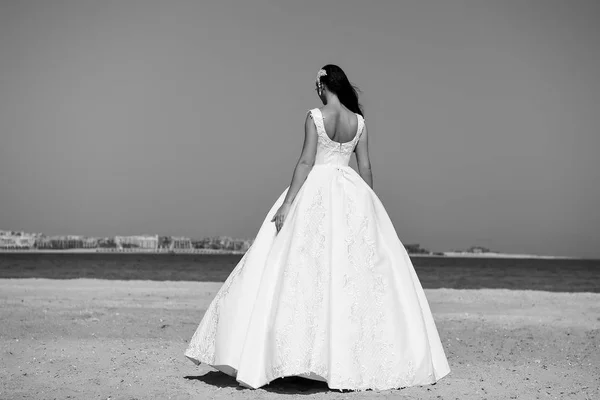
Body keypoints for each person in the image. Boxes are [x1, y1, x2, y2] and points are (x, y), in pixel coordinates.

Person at [184, 64, 450, 391]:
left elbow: (307, 162)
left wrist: (287, 203)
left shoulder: (315, 116)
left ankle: (292, 357)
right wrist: (370, 205)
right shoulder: (359, 122)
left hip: (316, 190)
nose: (316, 92)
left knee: (301, 272)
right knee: (348, 277)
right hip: (352, 191)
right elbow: (365, 166)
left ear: (325, 85)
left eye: (317, 86)